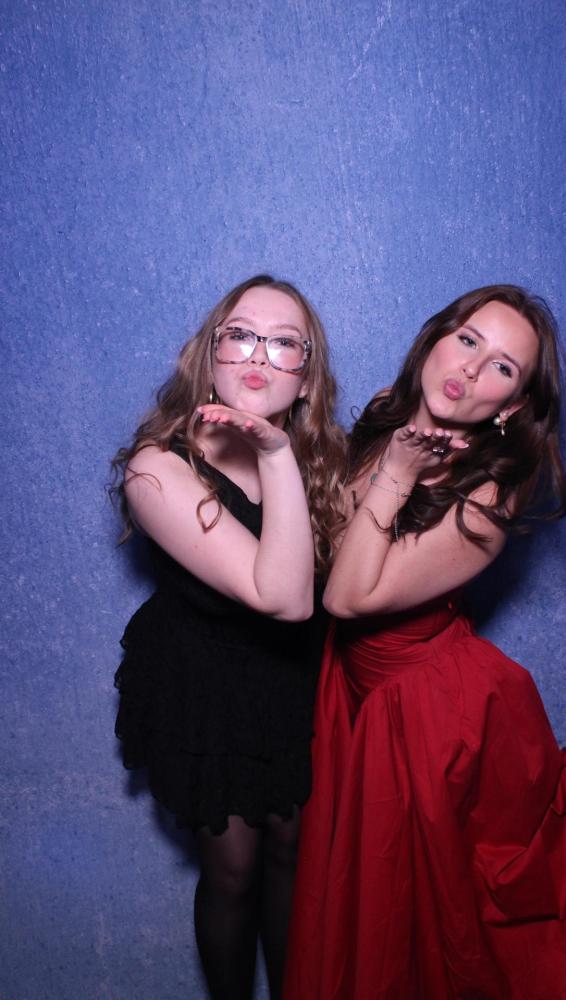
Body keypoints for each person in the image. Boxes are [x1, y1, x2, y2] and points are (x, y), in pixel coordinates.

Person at [283, 285, 566, 1000]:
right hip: (356, 688)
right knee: (379, 906)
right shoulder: (385, 413)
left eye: (502, 367)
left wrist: (398, 474)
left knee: (452, 912)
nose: (470, 367)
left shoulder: (488, 494)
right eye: (467, 340)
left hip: (431, 712)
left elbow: (346, 596)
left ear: (512, 406)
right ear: (436, 338)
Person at [111, 274, 346, 999]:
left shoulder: (325, 460)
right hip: (203, 683)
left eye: (284, 343)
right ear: (209, 353)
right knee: (234, 868)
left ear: (307, 376)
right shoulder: (157, 468)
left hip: (291, 678)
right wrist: (274, 454)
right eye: (241, 335)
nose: (258, 356)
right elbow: (282, 597)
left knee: (293, 856)